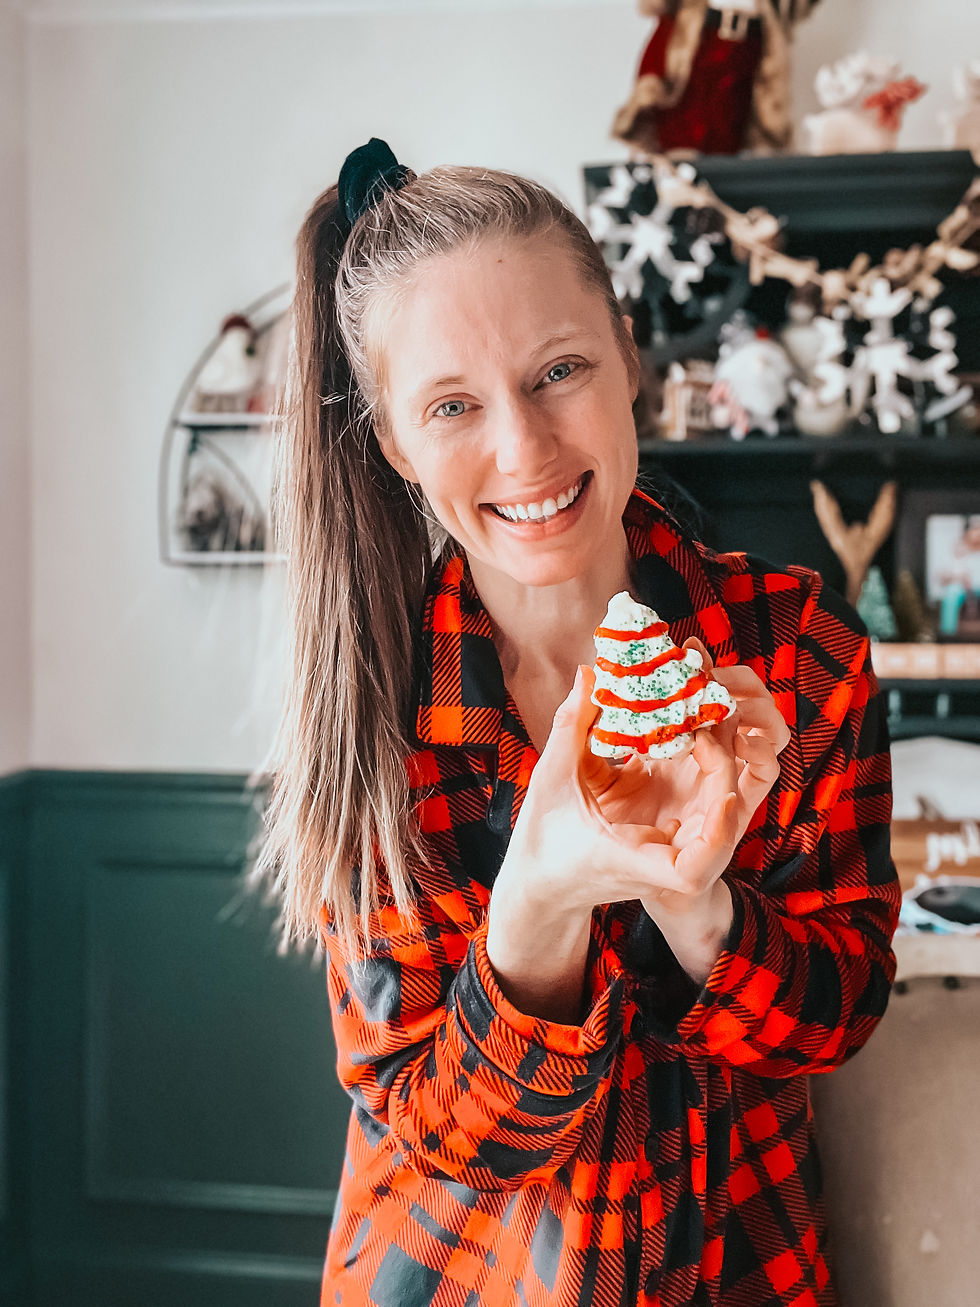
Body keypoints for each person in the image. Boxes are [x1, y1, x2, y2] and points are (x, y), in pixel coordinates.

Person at [254, 137, 900, 1307]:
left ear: (627, 359)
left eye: (558, 371)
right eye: (452, 403)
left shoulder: (799, 659)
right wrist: (541, 896)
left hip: (742, 1271)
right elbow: (462, 1146)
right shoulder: (373, 716)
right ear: (396, 442)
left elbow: (835, 1016)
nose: (525, 449)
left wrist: (692, 896)